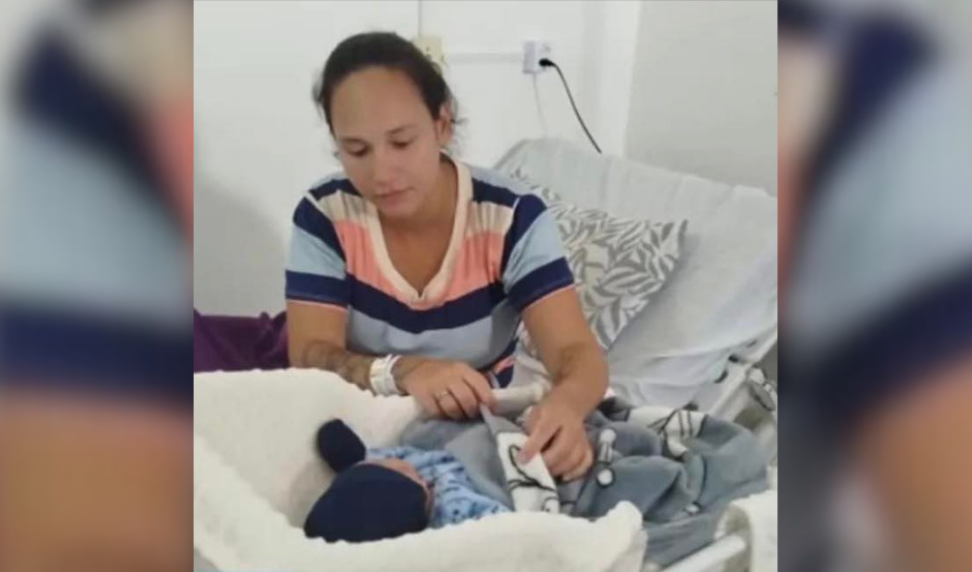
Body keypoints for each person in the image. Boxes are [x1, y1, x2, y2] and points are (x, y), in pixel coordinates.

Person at [285, 32, 607, 481]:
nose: (381, 173)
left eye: (401, 142)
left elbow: (576, 351)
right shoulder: (325, 214)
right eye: (356, 150)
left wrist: (566, 406)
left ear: (443, 125)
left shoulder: (510, 217)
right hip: (355, 428)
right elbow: (309, 354)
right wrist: (403, 372)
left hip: (471, 433)